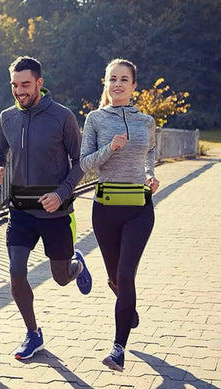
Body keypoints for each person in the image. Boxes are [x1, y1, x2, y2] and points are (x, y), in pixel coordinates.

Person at [0, 56, 92, 360]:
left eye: (25, 84)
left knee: (61, 277)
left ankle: (77, 264)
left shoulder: (62, 117)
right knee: (16, 273)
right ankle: (33, 334)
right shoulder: (7, 117)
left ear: (39, 83)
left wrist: (61, 194)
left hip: (55, 212)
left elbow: (80, 162)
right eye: (14, 85)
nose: (19, 91)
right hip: (20, 210)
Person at [80, 58, 160, 372]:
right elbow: (86, 163)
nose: (117, 84)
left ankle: (118, 349)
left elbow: (151, 150)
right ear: (106, 83)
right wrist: (109, 149)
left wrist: (150, 175)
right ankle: (129, 308)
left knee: (126, 275)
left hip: (140, 209)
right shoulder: (95, 119)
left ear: (133, 85)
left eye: (124, 79)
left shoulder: (146, 121)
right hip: (105, 210)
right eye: (112, 79)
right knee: (116, 279)